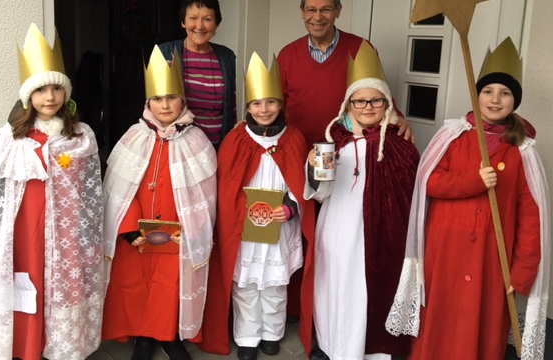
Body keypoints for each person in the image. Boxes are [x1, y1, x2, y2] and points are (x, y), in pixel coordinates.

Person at [386, 38, 550, 360]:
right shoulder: (453, 135)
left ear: (514, 100)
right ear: (477, 94)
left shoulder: (523, 151)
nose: (494, 99)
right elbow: (429, 181)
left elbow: (533, 218)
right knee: (440, 325)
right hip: (444, 255)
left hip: (492, 262)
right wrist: (472, 182)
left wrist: (521, 273)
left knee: (481, 328)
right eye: (488, 91)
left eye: (504, 93)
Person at [0, 23, 104, 360]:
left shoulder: (81, 137)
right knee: (26, 285)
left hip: (65, 231)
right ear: (28, 95)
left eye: (56, 89)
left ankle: (60, 346)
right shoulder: (7, 140)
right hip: (25, 232)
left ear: (66, 94)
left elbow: (89, 194)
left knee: (61, 288)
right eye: (41, 90)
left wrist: (85, 234)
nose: (49, 97)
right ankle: (27, 348)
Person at [301, 41, 419, 360]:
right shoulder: (334, 141)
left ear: (387, 103)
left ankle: (371, 352)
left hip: (379, 237)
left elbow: (410, 198)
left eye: (375, 101)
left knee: (368, 291)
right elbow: (321, 193)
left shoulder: (401, 146)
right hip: (338, 232)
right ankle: (331, 346)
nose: (367, 107)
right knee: (335, 289)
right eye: (360, 101)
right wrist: (313, 168)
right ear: (349, 104)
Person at [102, 45, 217, 360]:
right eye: (158, 99)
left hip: (175, 234)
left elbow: (205, 196)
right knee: (136, 285)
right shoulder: (132, 136)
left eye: (171, 98)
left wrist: (189, 228)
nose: (164, 105)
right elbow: (117, 190)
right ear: (148, 102)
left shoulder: (198, 141)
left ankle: (169, 335)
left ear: (183, 100)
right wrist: (129, 229)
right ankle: (143, 337)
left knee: (170, 284)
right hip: (136, 235)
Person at [198, 53, 310, 360]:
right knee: (245, 286)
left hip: (280, 225)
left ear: (281, 105)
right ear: (247, 107)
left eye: (271, 102)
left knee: (275, 287)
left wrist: (289, 207)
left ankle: (271, 333)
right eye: (257, 103)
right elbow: (225, 187)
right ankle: (247, 336)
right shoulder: (235, 140)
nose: (264, 109)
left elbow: (302, 185)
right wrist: (237, 212)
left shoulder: (295, 139)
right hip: (244, 229)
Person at [277, 0, 413, 148]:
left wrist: (398, 118)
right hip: (298, 149)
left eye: (325, 9)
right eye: (311, 9)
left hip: (348, 150)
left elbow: (379, 95)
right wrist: (248, 126)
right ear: (302, 12)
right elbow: (274, 104)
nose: (317, 17)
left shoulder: (361, 49)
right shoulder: (287, 55)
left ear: (338, 10)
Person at [159, 0, 237, 148]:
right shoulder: (165, 53)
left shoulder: (226, 57)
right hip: (179, 149)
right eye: (193, 18)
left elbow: (231, 108)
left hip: (216, 148)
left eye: (207, 19)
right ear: (183, 21)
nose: (200, 26)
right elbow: (153, 105)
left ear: (216, 23)